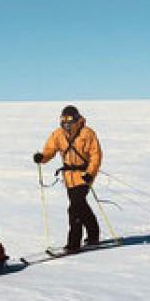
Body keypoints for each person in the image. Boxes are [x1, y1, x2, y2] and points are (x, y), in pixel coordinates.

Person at [33, 105, 103, 252]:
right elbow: (50, 150)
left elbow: (96, 155)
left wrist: (90, 173)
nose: (66, 125)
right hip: (69, 178)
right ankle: (93, 235)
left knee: (74, 209)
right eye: (63, 122)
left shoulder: (87, 133)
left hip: (84, 176)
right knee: (81, 206)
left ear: (77, 121)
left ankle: (73, 243)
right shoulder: (58, 134)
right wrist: (42, 157)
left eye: (69, 122)